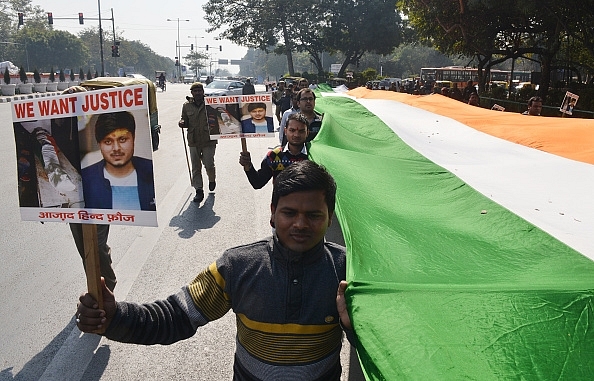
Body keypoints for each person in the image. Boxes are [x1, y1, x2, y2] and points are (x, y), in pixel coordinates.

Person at [76, 160, 353, 380]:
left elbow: (379, 346)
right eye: (289, 213)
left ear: (330, 217)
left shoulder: (347, 270)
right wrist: (114, 317)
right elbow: (176, 316)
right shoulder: (237, 266)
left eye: (314, 215)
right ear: (272, 213)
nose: (300, 224)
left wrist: (354, 329)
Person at [81, 111, 156, 211]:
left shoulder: (151, 171)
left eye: (122, 140)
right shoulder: (85, 178)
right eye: (108, 141)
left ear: (133, 138)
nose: (116, 148)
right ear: (99, 144)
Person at [239, 112, 309, 189]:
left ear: (307, 132)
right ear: (285, 131)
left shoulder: (313, 156)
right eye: (292, 130)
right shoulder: (274, 156)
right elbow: (258, 183)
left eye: (301, 131)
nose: (296, 135)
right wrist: (248, 165)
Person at [179, 82, 217, 203]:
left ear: (203, 91)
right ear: (192, 93)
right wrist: (182, 123)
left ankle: (212, 180)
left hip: (208, 140)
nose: (197, 93)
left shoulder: (210, 103)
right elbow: (184, 118)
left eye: (199, 91)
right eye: (195, 91)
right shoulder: (186, 106)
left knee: (209, 164)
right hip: (193, 140)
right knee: (195, 167)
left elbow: (219, 118)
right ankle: (199, 191)